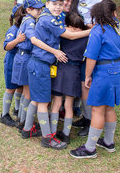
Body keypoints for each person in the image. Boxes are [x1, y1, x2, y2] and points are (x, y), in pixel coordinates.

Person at [22, 0, 91, 149]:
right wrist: (92, 30)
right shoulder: (48, 20)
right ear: (47, 4)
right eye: (54, 4)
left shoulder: (48, 18)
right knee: (43, 103)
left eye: (61, 4)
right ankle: (47, 138)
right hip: (40, 64)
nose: (58, 7)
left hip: (40, 64)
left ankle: (27, 129)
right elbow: (71, 36)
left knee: (36, 99)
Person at [70, 0, 120, 159]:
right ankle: (108, 142)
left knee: (97, 109)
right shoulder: (118, 27)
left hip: (105, 72)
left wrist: (87, 76)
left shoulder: (98, 30)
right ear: (113, 13)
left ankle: (90, 148)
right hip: (119, 68)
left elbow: (91, 57)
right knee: (109, 107)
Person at [67, 0, 102, 136]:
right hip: (76, 45)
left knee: (86, 85)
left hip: (88, 45)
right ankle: (86, 116)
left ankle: (90, 121)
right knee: (81, 86)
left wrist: (87, 26)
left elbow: (103, 21)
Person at [51, 12, 89, 144]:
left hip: (62, 69)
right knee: (68, 105)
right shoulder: (86, 36)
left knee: (56, 103)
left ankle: (53, 132)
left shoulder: (63, 33)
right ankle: (66, 134)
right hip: (74, 71)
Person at [11, 0, 44, 132]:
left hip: (22, 56)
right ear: (28, 9)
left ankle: (21, 118)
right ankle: (24, 122)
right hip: (26, 57)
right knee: (28, 93)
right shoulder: (30, 21)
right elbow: (32, 37)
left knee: (26, 92)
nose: (39, 11)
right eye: (36, 9)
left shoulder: (27, 19)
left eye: (40, 8)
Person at [0, 5, 25, 127]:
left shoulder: (23, 28)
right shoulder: (13, 30)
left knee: (19, 87)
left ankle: (17, 108)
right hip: (11, 62)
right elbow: (6, 46)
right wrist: (17, 40)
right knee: (10, 88)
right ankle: (4, 114)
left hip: (20, 62)